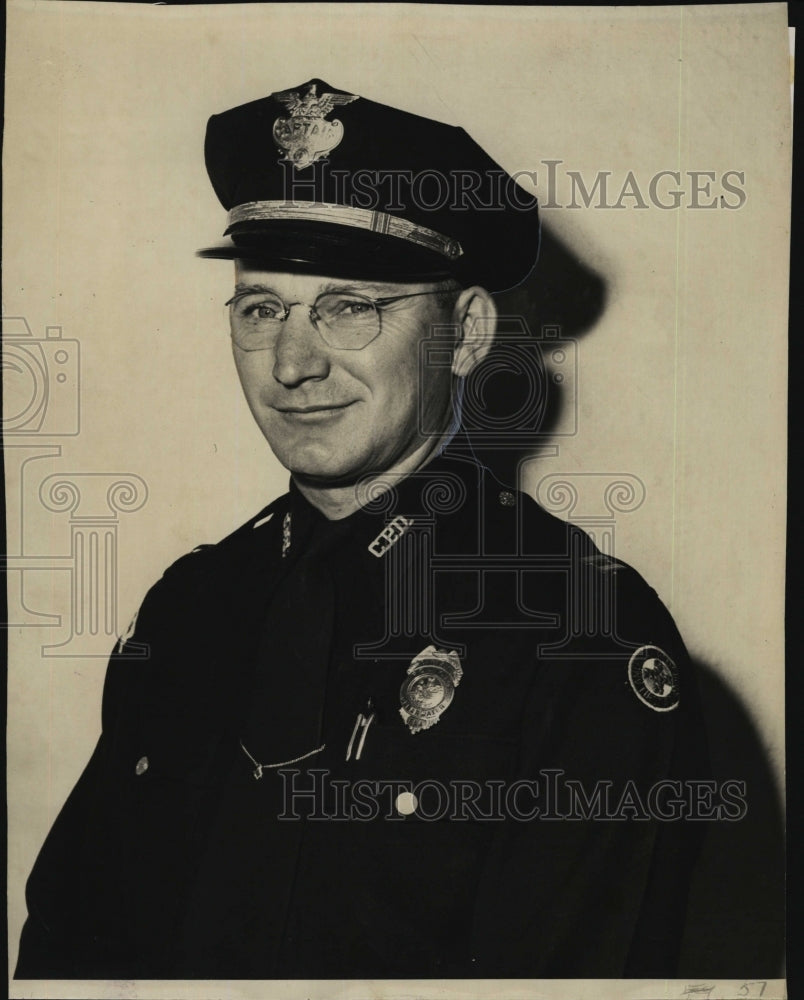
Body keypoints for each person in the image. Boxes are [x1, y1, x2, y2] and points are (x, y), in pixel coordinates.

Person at [16, 78, 709, 980]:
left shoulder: (579, 636)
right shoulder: (190, 609)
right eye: (262, 309)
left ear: (462, 336)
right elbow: (69, 946)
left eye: (350, 307)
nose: (294, 363)